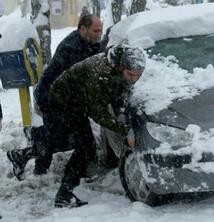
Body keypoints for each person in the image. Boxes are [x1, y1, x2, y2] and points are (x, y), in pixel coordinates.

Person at [8, 44, 146, 208]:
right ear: (121, 66)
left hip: (79, 101)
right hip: (64, 100)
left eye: (137, 76)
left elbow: (120, 92)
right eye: (130, 75)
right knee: (85, 147)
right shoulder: (100, 74)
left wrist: (123, 113)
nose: (133, 79)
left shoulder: (120, 66)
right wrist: (126, 130)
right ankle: (64, 195)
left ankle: (23, 154)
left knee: (70, 141)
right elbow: (99, 114)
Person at [31, 14, 103, 175]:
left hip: (69, 97)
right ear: (83, 29)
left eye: (101, 31)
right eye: (96, 31)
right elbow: (79, 80)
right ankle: (40, 166)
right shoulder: (70, 48)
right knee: (55, 136)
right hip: (50, 97)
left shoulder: (90, 42)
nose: (99, 34)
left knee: (82, 137)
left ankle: (83, 171)